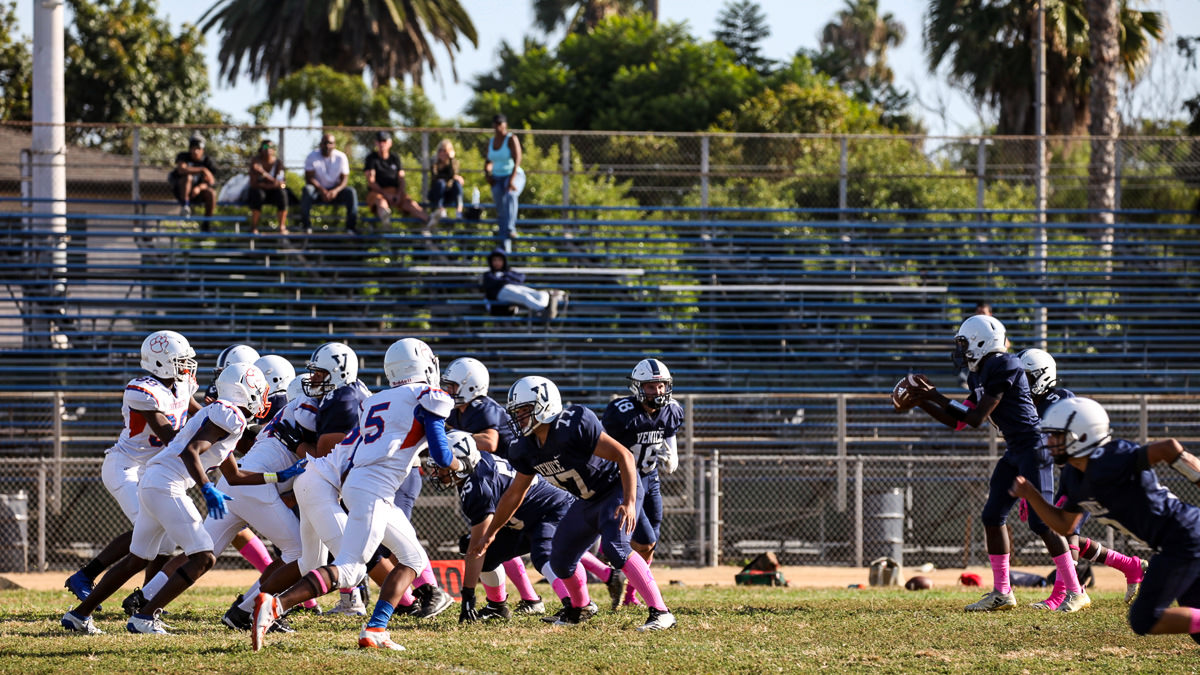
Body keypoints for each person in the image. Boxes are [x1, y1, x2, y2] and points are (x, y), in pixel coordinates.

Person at [250, 338, 462, 652]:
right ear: (426, 365)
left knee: (413, 558)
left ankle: (376, 628)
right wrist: (462, 463)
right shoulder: (427, 396)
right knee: (351, 568)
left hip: (349, 481)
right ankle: (276, 606)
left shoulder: (375, 400)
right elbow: (443, 455)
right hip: (367, 486)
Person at [61, 363, 303, 635]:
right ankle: (145, 617)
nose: (263, 397)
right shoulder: (231, 415)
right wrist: (206, 488)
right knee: (204, 557)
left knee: (138, 558)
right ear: (243, 391)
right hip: (167, 485)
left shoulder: (221, 415)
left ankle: (79, 615)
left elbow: (234, 476)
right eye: (258, 391)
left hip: (154, 482)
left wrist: (278, 476)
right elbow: (191, 452)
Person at [903, 315, 1089, 612]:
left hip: (1033, 447)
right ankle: (1003, 592)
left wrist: (934, 395)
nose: (961, 350)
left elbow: (976, 419)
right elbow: (958, 420)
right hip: (1015, 450)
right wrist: (922, 402)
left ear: (980, 341)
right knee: (992, 516)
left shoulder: (1005, 365)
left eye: (964, 343)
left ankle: (1076, 591)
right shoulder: (979, 374)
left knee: (1042, 523)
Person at [468, 375, 678, 631]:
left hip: (614, 490)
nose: (519, 418)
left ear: (544, 405)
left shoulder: (572, 424)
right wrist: (491, 533)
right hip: (585, 500)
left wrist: (631, 501)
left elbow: (624, 455)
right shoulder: (525, 448)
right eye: (517, 412)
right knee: (559, 558)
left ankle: (661, 612)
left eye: (524, 411)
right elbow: (514, 494)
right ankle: (580, 608)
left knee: (616, 547)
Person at [1011, 396, 1200, 644]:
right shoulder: (1073, 474)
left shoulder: (1112, 457)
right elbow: (1065, 525)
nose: (1049, 442)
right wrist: (1031, 495)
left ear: (1083, 435)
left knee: (1145, 618)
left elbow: (1168, 447)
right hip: (1176, 542)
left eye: (1056, 435)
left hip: (1184, 537)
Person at [63, 331, 201, 615]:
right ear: (161, 362)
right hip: (126, 466)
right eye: (180, 361)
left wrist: (218, 419)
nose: (187, 366)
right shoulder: (141, 390)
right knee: (148, 527)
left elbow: (197, 414)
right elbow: (169, 436)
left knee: (166, 538)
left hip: (153, 469)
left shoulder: (183, 383)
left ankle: (147, 598)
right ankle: (85, 576)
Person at [1016, 348, 1147, 610]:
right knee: (1063, 529)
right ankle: (1130, 565)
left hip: (1088, 472)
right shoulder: (1034, 406)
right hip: (1070, 474)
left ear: (1041, 376)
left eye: (1026, 379)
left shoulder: (1060, 400)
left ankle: (1064, 593)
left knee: (1064, 531)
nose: (1021, 386)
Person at [425, 431, 582, 623]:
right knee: (484, 554)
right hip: (522, 517)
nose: (437, 471)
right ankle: (497, 606)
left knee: (542, 553)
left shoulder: (478, 487)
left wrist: (468, 597)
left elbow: (478, 548)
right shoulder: (475, 464)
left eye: (443, 465)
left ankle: (575, 605)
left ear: (462, 464)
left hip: (552, 509)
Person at [442, 357, 546, 614]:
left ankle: (527, 599)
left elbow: (488, 442)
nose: (449, 391)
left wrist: (448, 435)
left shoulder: (480, 406)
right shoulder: (460, 410)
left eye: (454, 386)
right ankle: (528, 599)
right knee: (494, 540)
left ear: (470, 386)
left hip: (511, 477)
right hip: (492, 477)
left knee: (499, 539)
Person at [600, 358, 684, 608]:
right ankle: (611, 551)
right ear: (637, 387)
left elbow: (669, 432)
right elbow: (601, 444)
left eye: (661, 386)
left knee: (651, 542)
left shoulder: (672, 409)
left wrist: (672, 453)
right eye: (650, 386)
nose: (657, 391)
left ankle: (629, 596)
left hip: (650, 477)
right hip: (626, 479)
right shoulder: (622, 413)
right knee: (644, 540)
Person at [364, 131, 430, 229]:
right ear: (376, 143)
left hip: (395, 192)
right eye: (379, 141)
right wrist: (386, 195)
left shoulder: (395, 158)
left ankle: (429, 222)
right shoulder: (371, 158)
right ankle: (386, 226)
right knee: (381, 203)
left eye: (384, 141)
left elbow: (401, 179)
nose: (382, 144)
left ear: (390, 143)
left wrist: (399, 194)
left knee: (411, 204)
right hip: (378, 193)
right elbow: (371, 181)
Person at [480, 249, 566, 320]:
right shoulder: (488, 275)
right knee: (525, 297)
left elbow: (521, 278)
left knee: (541, 294)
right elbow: (494, 284)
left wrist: (504, 278)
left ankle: (545, 305)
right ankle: (542, 309)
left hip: (516, 288)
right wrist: (507, 279)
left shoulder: (509, 272)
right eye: (494, 260)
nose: (497, 263)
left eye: (499, 260)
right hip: (501, 292)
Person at [300, 133, 358, 234]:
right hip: (318, 191)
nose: (327, 146)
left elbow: (344, 180)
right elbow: (309, 178)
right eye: (325, 143)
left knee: (351, 192)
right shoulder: (312, 156)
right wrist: (322, 190)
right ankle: (306, 226)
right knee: (307, 190)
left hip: (335, 191)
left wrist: (335, 191)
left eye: (330, 143)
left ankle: (350, 228)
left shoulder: (341, 157)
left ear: (334, 145)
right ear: (320, 144)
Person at [483, 114, 525, 251]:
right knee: (501, 208)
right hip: (498, 177)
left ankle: (510, 229)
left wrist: (511, 180)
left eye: (500, 124)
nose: (497, 127)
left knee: (511, 195)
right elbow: (488, 161)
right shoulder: (491, 141)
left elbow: (517, 159)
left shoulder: (511, 139)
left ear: (505, 125)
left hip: (512, 175)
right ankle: (504, 246)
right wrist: (487, 174)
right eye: (495, 124)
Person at [247, 139, 295, 235]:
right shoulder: (256, 161)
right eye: (265, 147)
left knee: (282, 193)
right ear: (261, 149)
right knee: (258, 194)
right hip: (260, 191)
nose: (268, 149)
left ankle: (282, 226)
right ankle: (254, 227)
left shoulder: (278, 163)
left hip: (273, 191)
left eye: (271, 147)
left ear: (274, 150)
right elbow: (253, 184)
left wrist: (263, 173)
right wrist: (272, 184)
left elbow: (282, 184)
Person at [168, 133, 217, 224]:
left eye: (198, 149)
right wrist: (202, 170)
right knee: (188, 177)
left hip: (197, 193)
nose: (195, 151)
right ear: (190, 149)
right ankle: (185, 207)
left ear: (202, 150)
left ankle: (206, 224)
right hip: (181, 192)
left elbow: (211, 181)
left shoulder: (207, 161)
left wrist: (199, 188)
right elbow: (181, 170)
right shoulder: (183, 156)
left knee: (211, 193)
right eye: (193, 148)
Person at [427, 139, 464, 221]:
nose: (442, 153)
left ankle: (459, 210)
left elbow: (454, 174)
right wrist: (452, 177)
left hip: (448, 193)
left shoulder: (453, 162)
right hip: (437, 193)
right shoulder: (434, 162)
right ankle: (441, 210)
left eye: (445, 150)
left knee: (457, 183)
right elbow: (435, 176)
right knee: (441, 183)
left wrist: (450, 160)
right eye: (440, 150)